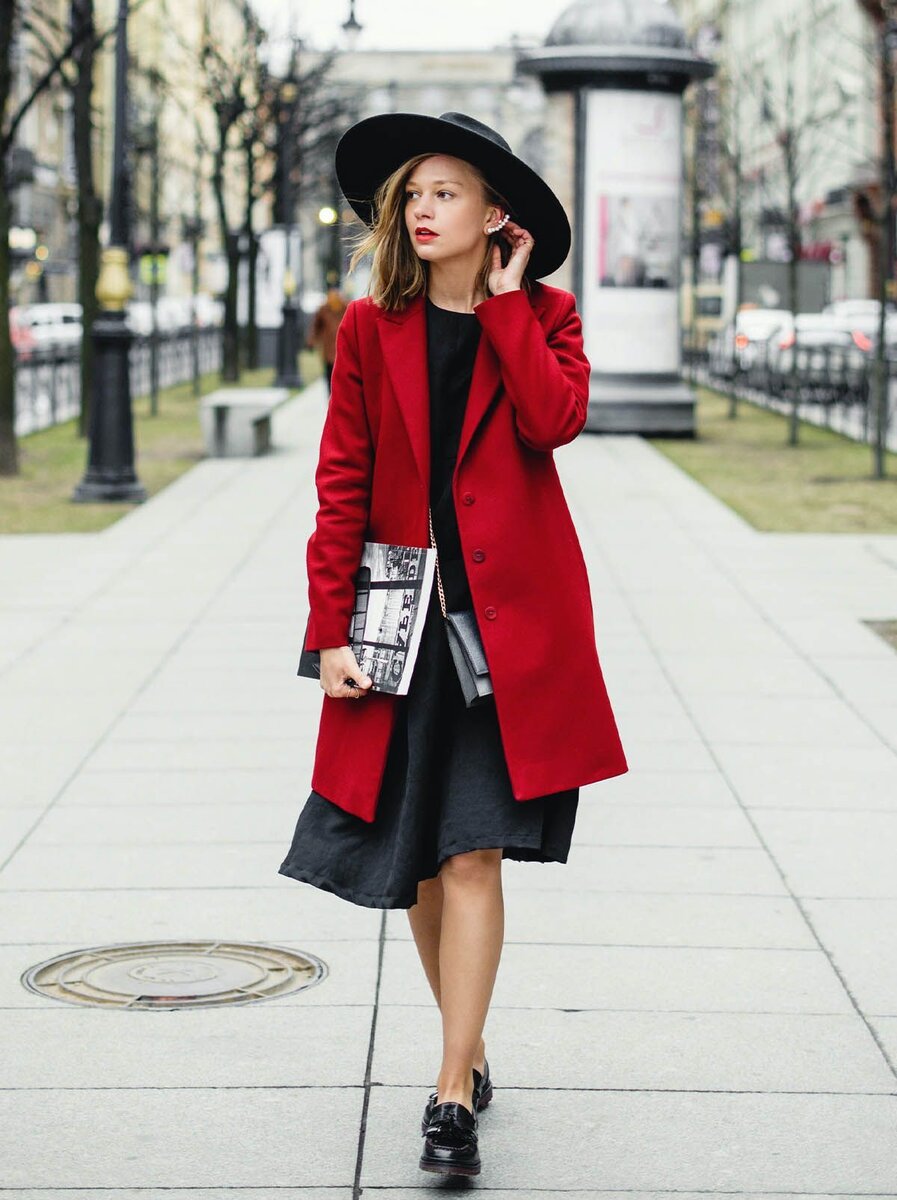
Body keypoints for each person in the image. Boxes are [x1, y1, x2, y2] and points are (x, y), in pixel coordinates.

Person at [278, 111, 629, 1177]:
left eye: (446, 193)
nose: (423, 210)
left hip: (508, 631)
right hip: (400, 626)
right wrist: (328, 632)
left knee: (472, 850)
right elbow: (342, 482)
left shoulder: (546, 315)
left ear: (494, 215)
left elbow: (552, 421)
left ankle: (447, 1093)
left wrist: (508, 305)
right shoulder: (367, 329)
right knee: (424, 863)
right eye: (413, 195)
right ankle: (467, 1053)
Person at [305, 284, 348, 397]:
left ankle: (339, 397)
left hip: (343, 350)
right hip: (329, 350)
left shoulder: (346, 307)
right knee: (330, 375)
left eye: (336, 295)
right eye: (331, 295)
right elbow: (316, 326)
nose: (333, 297)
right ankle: (331, 397)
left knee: (343, 377)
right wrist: (311, 341)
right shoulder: (323, 309)